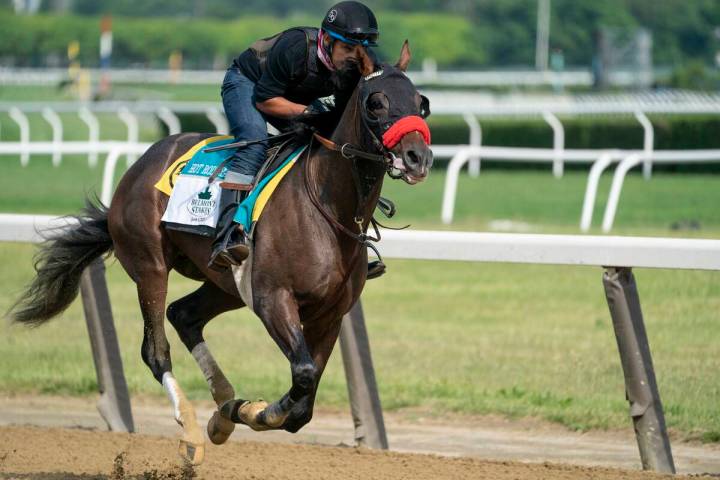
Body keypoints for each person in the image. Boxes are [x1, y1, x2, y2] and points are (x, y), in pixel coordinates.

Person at [210, 1, 380, 271]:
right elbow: (265, 100)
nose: (354, 57)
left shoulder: (357, 64)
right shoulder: (295, 48)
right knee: (254, 143)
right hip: (249, 85)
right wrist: (309, 110)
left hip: (287, 94)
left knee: (332, 148)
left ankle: (349, 249)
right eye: (347, 49)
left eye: (360, 51)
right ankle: (227, 235)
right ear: (326, 40)